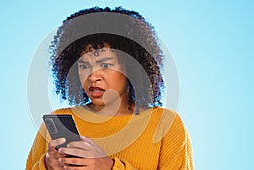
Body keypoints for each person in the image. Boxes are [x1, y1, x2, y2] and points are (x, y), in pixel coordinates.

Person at [26, 6, 193, 170]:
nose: (92, 76)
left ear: (131, 66)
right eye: (84, 66)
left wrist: (108, 167)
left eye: (105, 64)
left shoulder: (165, 124)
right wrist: (47, 167)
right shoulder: (59, 121)